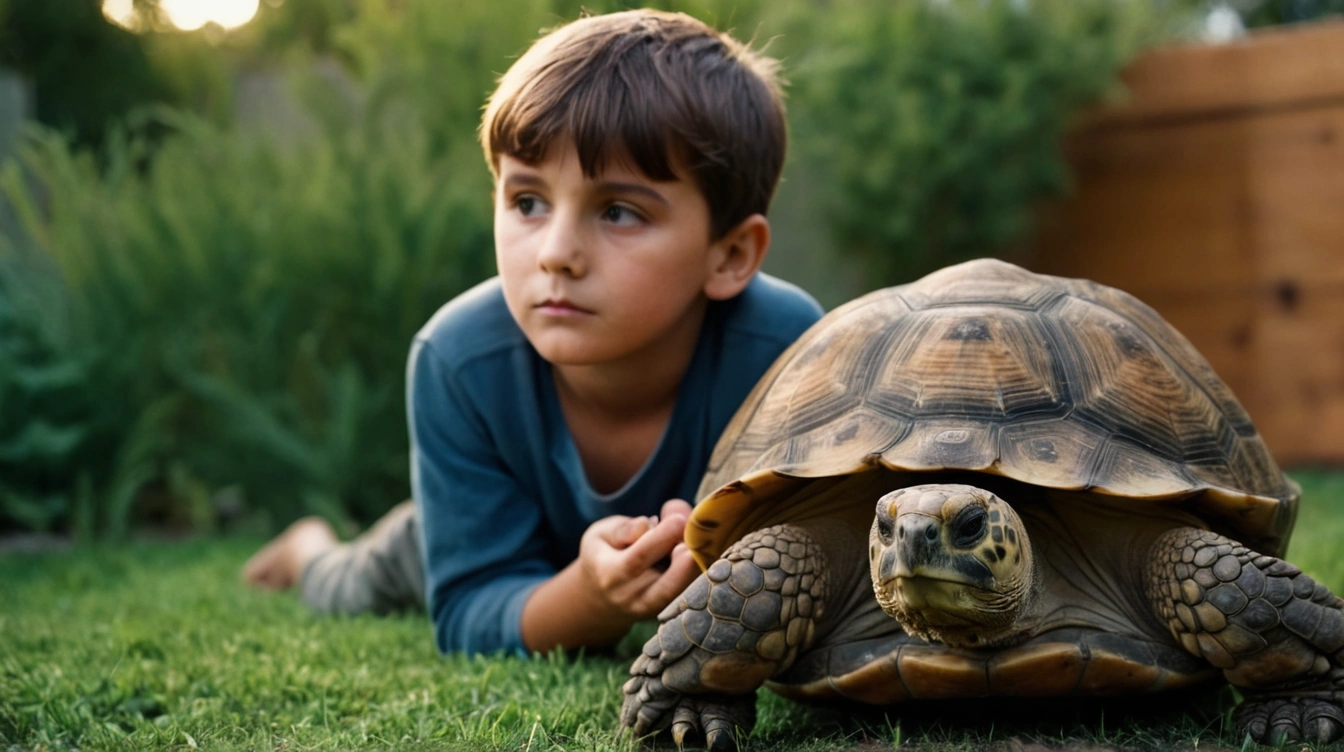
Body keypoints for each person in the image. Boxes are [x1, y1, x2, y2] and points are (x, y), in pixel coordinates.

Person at [241, 8, 823, 656]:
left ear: (731, 254)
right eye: (527, 201)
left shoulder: (788, 351)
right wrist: (589, 600)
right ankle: (308, 546)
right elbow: (468, 607)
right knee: (349, 585)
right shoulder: (458, 361)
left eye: (619, 211)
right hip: (475, 530)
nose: (555, 252)